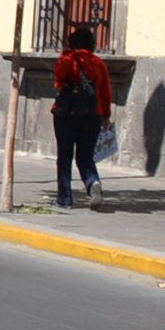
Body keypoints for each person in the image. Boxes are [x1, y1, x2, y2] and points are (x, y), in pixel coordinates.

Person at [51, 23, 114, 209]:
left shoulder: (66, 60)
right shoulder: (98, 63)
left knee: (65, 156)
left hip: (66, 115)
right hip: (92, 115)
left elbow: (58, 83)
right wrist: (105, 116)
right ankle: (92, 182)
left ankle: (64, 198)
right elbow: (105, 92)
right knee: (85, 157)